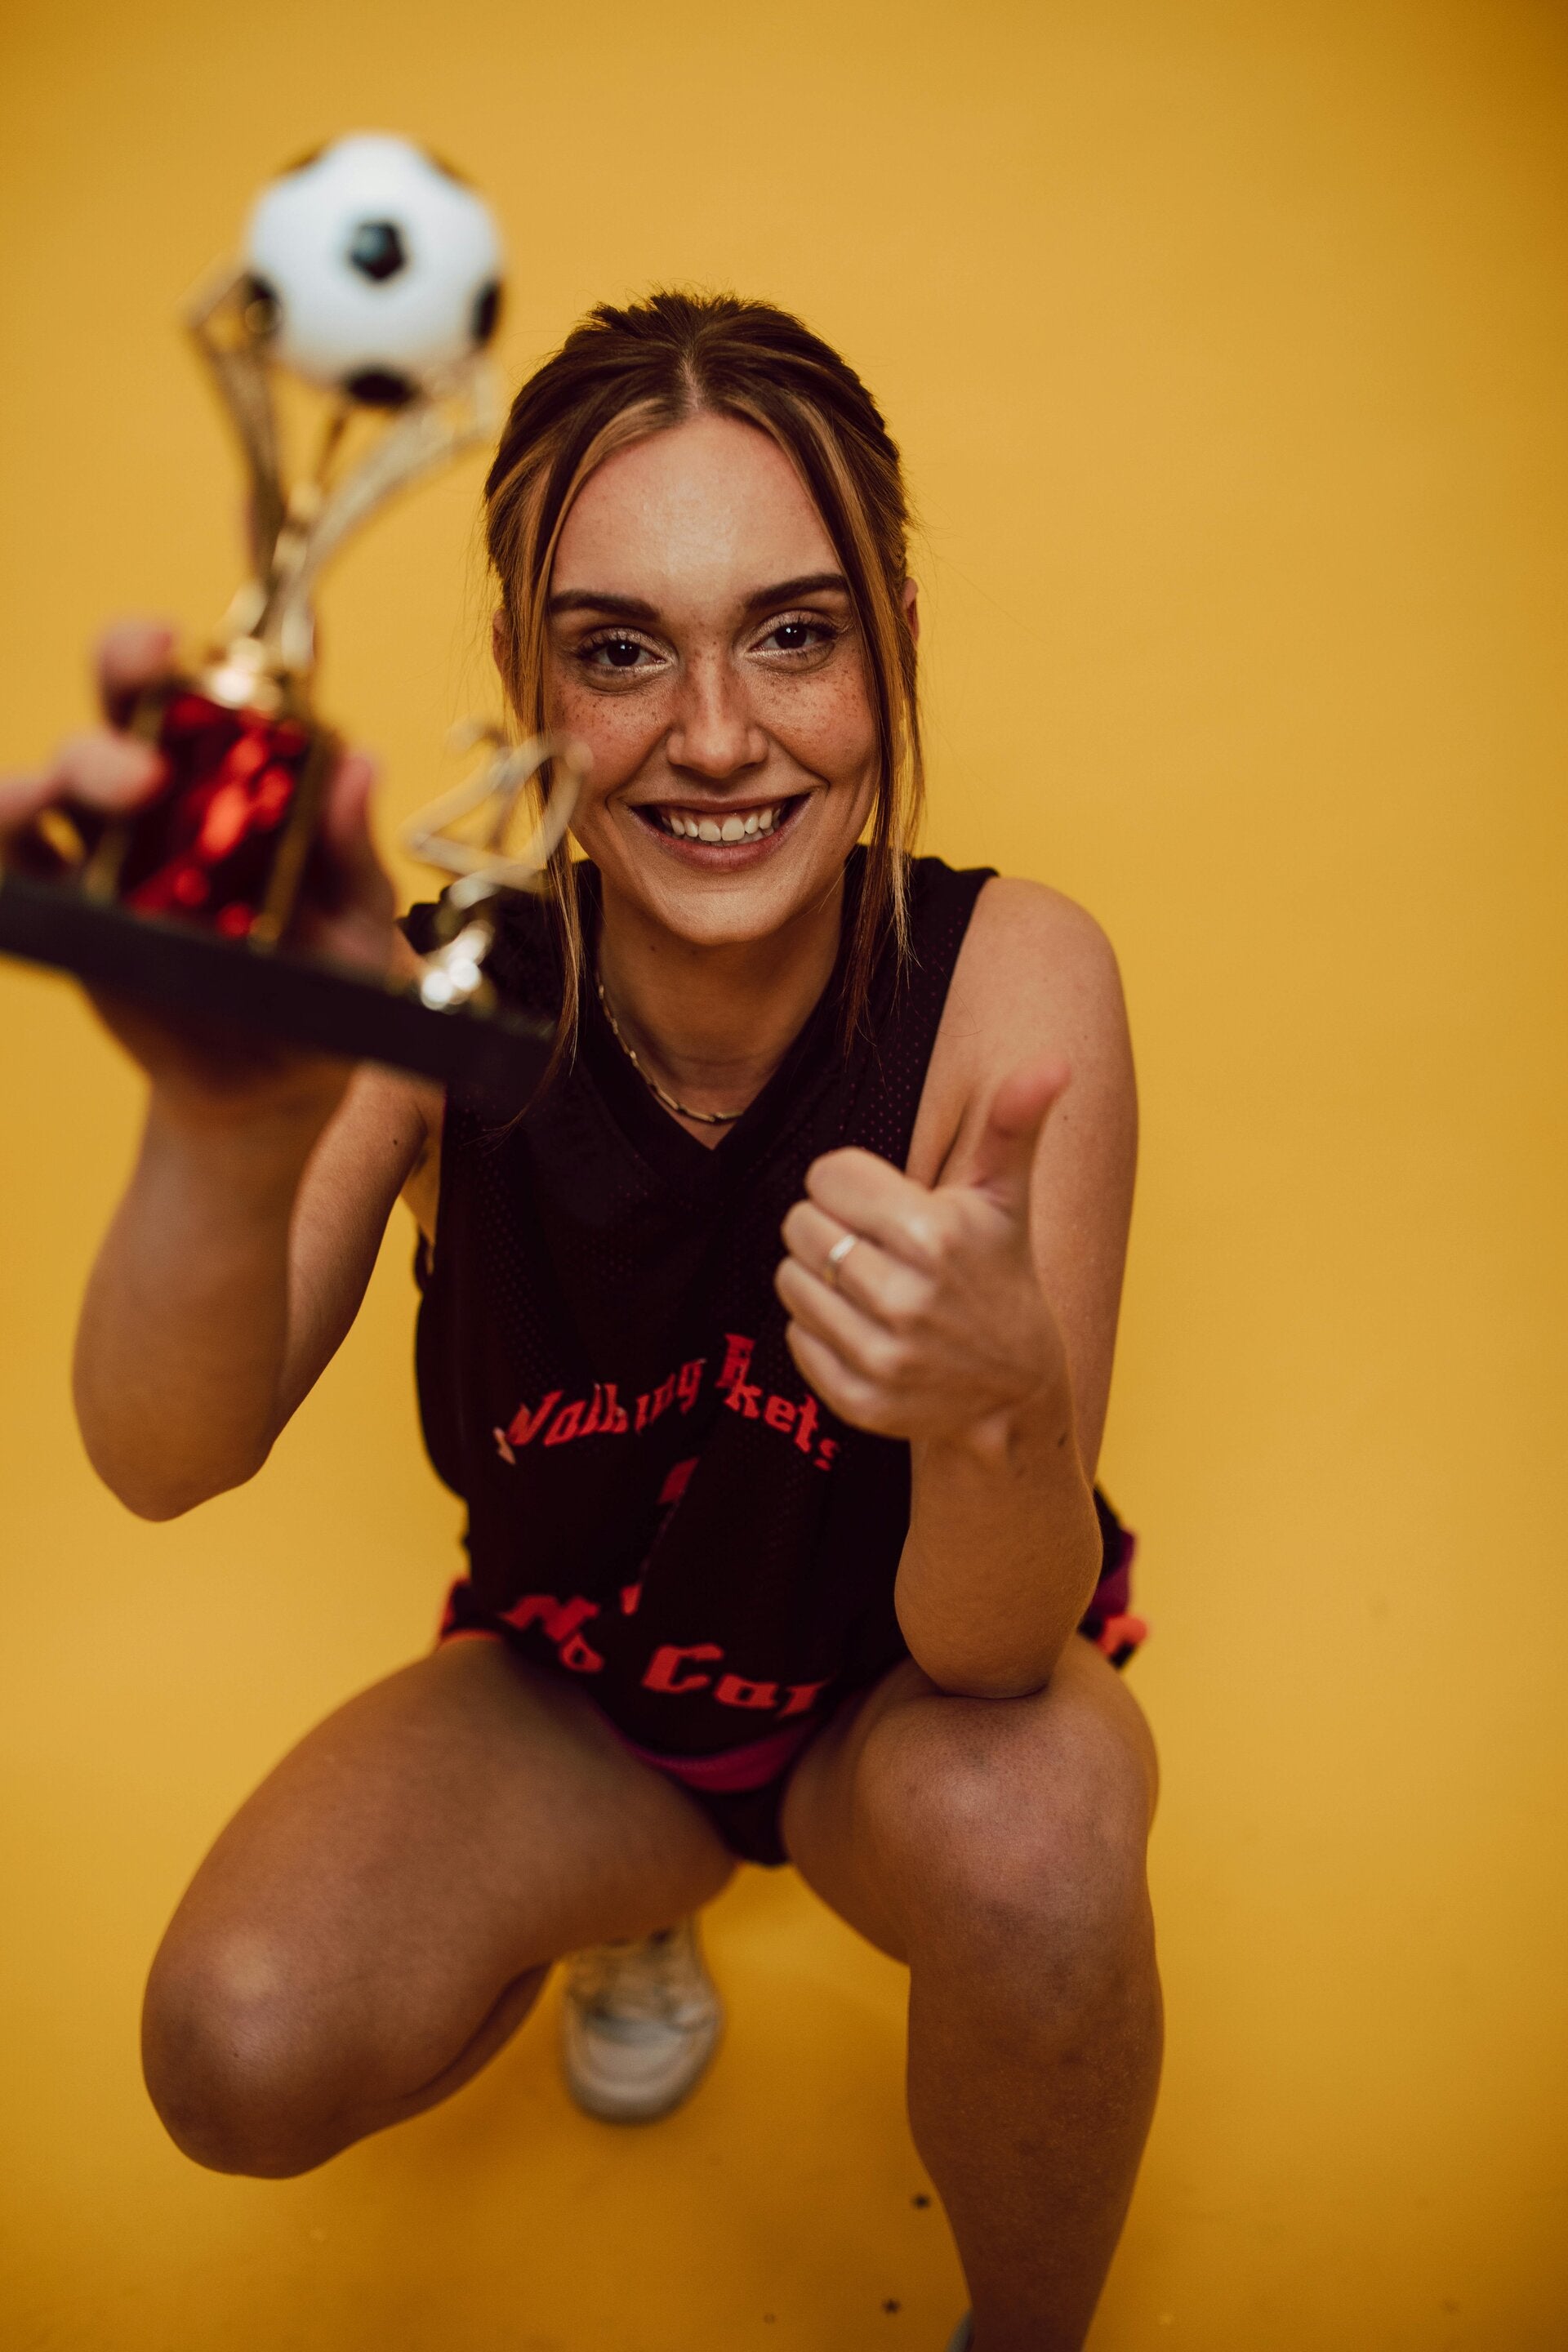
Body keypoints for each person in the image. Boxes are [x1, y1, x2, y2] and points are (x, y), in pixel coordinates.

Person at [5, 293, 1160, 2352]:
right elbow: (164, 1458)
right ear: (527, 678)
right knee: (236, 2045)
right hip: (592, 1706)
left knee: (1043, 1835)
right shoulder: (445, 996)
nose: (714, 736)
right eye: (620, 650)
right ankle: (621, 1903)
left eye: (793, 635)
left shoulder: (1013, 983)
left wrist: (997, 1410)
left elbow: (996, 1650)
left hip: (902, 1715)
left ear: (892, 647)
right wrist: (221, 1130)